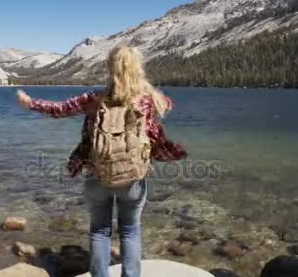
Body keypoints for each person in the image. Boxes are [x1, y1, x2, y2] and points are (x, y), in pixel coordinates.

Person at [17, 44, 187, 277]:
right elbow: (166, 112)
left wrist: (30, 103)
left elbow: (59, 109)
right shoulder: (149, 101)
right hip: (133, 181)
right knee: (130, 231)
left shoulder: (94, 99)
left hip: (98, 176)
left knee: (99, 231)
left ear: (110, 69)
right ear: (138, 69)